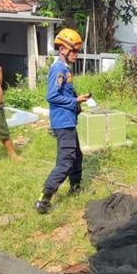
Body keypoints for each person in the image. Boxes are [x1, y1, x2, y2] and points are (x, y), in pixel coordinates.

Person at [34, 28, 92, 214]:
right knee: (65, 161)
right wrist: (75, 101)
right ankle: (44, 199)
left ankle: (75, 189)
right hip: (62, 122)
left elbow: (63, 93)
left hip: (68, 121)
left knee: (77, 157)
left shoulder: (65, 68)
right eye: (73, 51)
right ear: (63, 50)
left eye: (77, 51)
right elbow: (52, 96)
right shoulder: (58, 69)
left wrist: (78, 98)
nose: (76, 55)